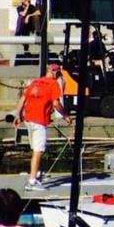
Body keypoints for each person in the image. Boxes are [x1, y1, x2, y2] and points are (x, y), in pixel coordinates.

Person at [15, 63, 71, 191]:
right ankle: (32, 181)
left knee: (35, 148)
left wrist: (18, 115)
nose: (59, 76)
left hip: (28, 119)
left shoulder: (35, 82)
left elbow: (23, 98)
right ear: (54, 72)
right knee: (38, 150)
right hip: (39, 121)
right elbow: (56, 104)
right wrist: (65, 116)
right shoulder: (53, 84)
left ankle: (37, 172)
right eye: (58, 73)